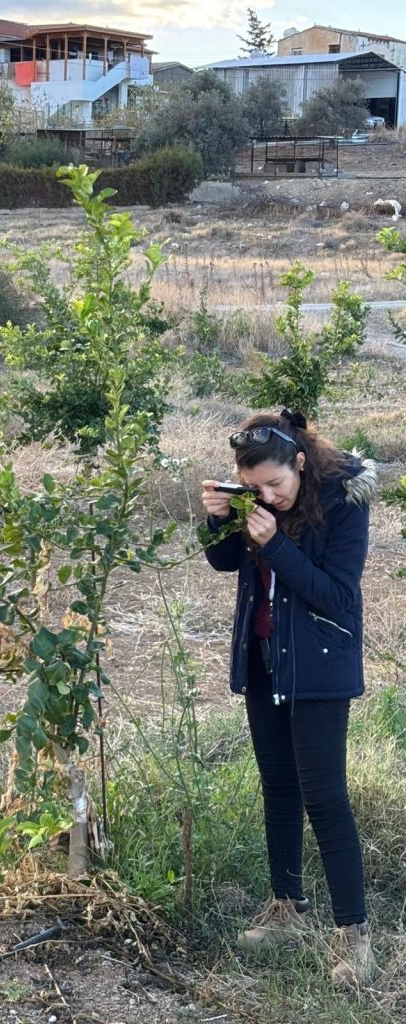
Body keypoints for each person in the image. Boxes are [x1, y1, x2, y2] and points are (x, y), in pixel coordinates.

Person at [201, 409, 378, 987]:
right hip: (263, 662)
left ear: (299, 462)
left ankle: (354, 936)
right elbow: (226, 561)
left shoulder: (345, 504)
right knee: (278, 787)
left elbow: (335, 595)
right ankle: (288, 909)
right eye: (254, 488)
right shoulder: (255, 502)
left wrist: (275, 546)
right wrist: (219, 521)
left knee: (324, 797)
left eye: (276, 484)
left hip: (321, 667)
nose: (268, 496)